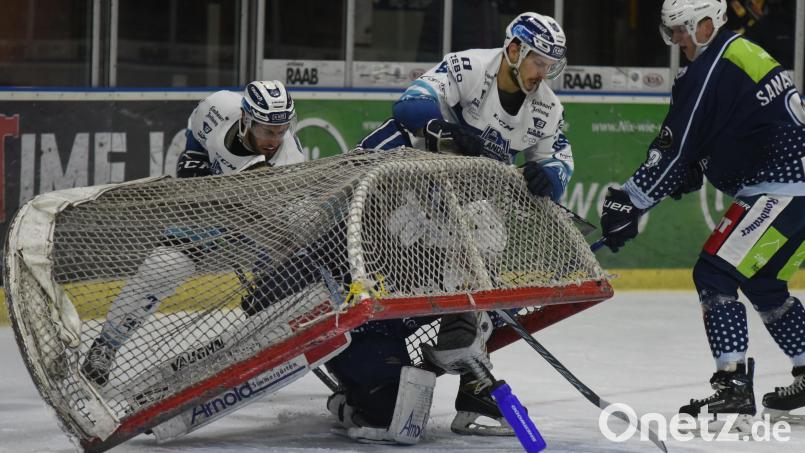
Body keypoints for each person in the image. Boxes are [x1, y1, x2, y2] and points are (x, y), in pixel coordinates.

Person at [335, 11, 574, 439]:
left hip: (457, 204)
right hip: (404, 190)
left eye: (552, 66)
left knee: (492, 272)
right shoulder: (470, 67)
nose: (544, 74)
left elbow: (558, 155)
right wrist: (449, 129)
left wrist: (551, 175)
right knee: (377, 278)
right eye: (539, 62)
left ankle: (470, 380)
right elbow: (410, 104)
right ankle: (362, 375)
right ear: (514, 50)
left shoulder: (546, 108)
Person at [598, 0, 805, 422]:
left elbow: (676, 145)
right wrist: (698, 166)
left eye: (681, 29)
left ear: (706, 24)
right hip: (792, 190)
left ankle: (732, 389)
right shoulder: (739, 53)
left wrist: (631, 199)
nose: (675, 39)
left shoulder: (715, 64)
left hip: (781, 191)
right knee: (764, 284)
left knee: (714, 273)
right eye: (670, 30)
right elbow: (735, 128)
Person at [81, 80, 305, 387]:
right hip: (211, 208)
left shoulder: (288, 162)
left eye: (281, 131)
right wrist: (195, 161)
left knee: (284, 281)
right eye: (267, 130)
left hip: (261, 218)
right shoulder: (218, 107)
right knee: (164, 267)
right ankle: (105, 345)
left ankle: (278, 345)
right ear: (246, 119)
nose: (275, 139)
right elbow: (196, 138)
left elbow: (285, 226)